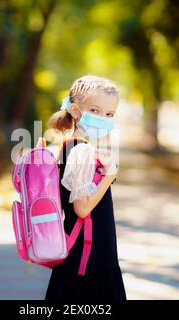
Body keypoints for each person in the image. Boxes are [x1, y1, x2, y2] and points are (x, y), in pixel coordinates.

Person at [45, 74, 126, 301]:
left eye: (109, 114)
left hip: (86, 253)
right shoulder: (81, 150)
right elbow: (81, 208)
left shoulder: (76, 145)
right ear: (76, 111)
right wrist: (109, 176)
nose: (104, 119)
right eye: (96, 111)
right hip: (87, 258)